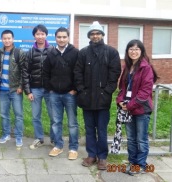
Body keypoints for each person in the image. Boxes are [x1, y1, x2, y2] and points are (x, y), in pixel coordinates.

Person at [74, 21, 121, 170]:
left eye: (98, 33)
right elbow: (77, 73)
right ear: (89, 36)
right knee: (89, 128)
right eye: (92, 33)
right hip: (87, 98)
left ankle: (102, 157)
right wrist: (81, 90)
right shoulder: (83, 53)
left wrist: (107, 91)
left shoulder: (111, 52)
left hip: (103, 99)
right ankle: (91, 155)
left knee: (101, 129)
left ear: (102, 35)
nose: (95, 36)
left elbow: (115, 74)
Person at [116, 39, 158, 175]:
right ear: (127, 51)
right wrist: (120, 101)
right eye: (131, 49)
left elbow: (144, 92)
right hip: (128, 108)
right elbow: (122, 88)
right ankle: (132, 162)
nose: (134, 52)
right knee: (131, 139)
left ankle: (141, 165)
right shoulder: (127, 67)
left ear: (141, 51)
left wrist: (129, 106)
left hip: (141, 110)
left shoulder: (146, 68)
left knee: (141, 139)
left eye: (137, 49)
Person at [43, 27, 79, 159]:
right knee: (56, 122)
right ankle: (58, 145)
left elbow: (79, 73)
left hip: (70, 94)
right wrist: (50, 88)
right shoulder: (51, 53)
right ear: (55, 38)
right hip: (54, 94)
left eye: (64, 37)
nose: (61, 39)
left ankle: (73, 148)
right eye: (59, 37)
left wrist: (74, 89)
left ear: (68, 38)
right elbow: (45, 73)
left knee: (72, 123)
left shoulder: (75, 53)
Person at [22, 24, 55, 149]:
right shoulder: (30, 52)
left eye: (42, 34)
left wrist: (54, 88)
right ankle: (39, 138)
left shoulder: (52, 50)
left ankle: (54, 139)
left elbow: (56, 71)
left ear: (46, 35)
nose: (40, 36)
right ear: (34, 36)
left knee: (53, 116)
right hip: (35, 89)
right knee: (36, 116)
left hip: (50, 90)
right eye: (37, 34)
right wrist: (28, 91)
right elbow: (25, 72)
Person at [0, 30, 25, 147]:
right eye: (4, 38)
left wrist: (21, 86)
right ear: (1, 39)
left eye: (9, 38)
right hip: (2, 90)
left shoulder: (19, 52)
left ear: (13, 39)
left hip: (15, 90)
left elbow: (24, 71)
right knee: (4, 114)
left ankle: (18, 136)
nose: (7, 40)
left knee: (18, 114)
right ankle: (6, 134)